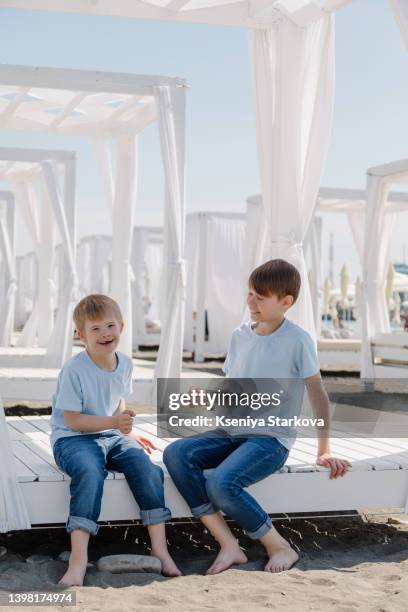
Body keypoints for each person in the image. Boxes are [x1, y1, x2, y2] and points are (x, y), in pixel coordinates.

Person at [164, 259, 351, 574]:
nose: (250, 302)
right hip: (231, 431)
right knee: (176, 454)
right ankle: (228, 544)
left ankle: (279, 545)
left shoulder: (298, 340)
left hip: (269, 440)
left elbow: (318, 395)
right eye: (249, 293)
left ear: (286, 302)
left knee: (223, 484)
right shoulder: (240, 336)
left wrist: (324, 450)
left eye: (259, 297)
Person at [51, 294, 181, 586]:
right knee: (89, 470)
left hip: (110, 435)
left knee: (146, 467)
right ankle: (78, 558)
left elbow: (117, 400)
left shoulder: (125, 364)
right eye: (95, 329)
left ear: (121, 327)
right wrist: (114, 422)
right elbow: (73, 420)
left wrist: (125, 428)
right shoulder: (75, 370)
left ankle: (160, 549)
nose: (105, 334)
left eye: (110, 326)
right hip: (72, 439)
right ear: (81, 335)